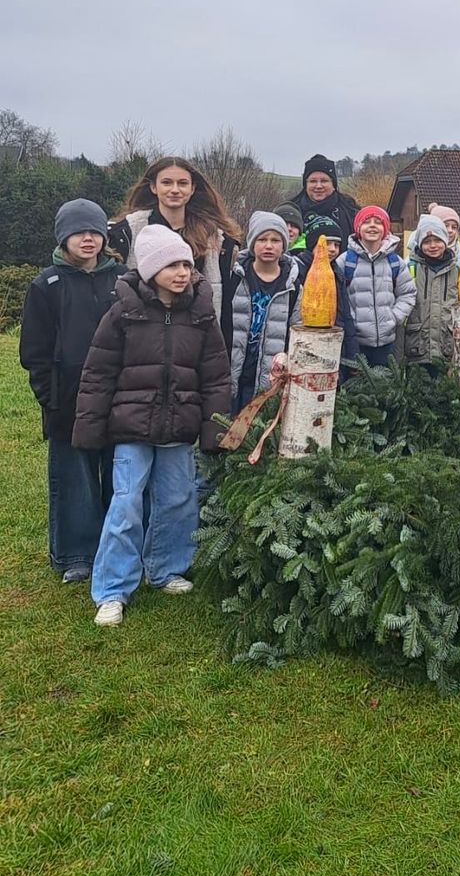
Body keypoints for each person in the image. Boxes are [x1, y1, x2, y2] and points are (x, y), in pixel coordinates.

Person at [72, 226, 231, 628]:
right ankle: (112, 590)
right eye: (173, 264)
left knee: (178, 499)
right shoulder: (123, 311)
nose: (183, 272)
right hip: (131, 427)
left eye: (186, 264)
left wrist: (214, 428)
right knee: (126, 503)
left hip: (180, 426)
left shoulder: (200, 313)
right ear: (150, 269)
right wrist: (89, 426)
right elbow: (98, 373)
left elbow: (215, 375)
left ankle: (165, 568)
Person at [19, 200, 122, 583]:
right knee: (74, 477)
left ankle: (117, 547)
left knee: (117, 476)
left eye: (95, 232)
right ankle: (77, 554)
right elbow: (35, 351)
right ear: (63, 238)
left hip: (117, 397)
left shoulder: (122, 279)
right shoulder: (47, 284)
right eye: (79, 233)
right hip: (69, 402)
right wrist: (51, 396)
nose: (88, 239)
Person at [108, 156, 239, 323]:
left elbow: (224, 303)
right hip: (143, 330)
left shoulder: (214, 239)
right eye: (167, 182)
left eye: (183, 183)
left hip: (193, 331)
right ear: (153, 187)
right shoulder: (127, 233)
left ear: (192, 189)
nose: (175, 189)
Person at [225, 211, 301, 411]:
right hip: (233, 372)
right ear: (252, 243)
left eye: (275, 240)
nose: (269, 245)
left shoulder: (292, 287)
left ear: (284, 245)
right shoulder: (235, 279)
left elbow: (296, 333)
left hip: (269, 379)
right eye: (262, 239)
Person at [338, 205, 415, 366]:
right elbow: (337, 298)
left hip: (387, 342)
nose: (372, 226)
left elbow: (407, 293)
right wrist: (351, 322)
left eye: (378, 222)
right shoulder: (345, 262)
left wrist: (393, 317)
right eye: (367, 222)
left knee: (384, 386)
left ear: (385, 229)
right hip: (354, 342)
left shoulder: (395, 262)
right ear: (358, 228)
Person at [294, 217, 358, 367]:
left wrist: (353, 355)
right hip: (304, 346)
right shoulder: (298, 270)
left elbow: (345, 316)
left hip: (333, 344)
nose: (332, 249)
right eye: (327, 243)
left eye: (336, 245)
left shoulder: (337, 273)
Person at [401, 213, 459, 369]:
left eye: (437, 240)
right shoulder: (409, 268)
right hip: (417, 347)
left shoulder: (457, 271)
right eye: (427, 242)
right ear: (419, 244)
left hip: (447, 348)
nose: (433, 246)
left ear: (445, 242)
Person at [286, 155, 359, 244]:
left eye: (324, 181)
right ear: (305, 185)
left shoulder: (350, 210)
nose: (318, 186)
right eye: (313, 181)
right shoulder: (291, 211)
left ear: (333, 185)